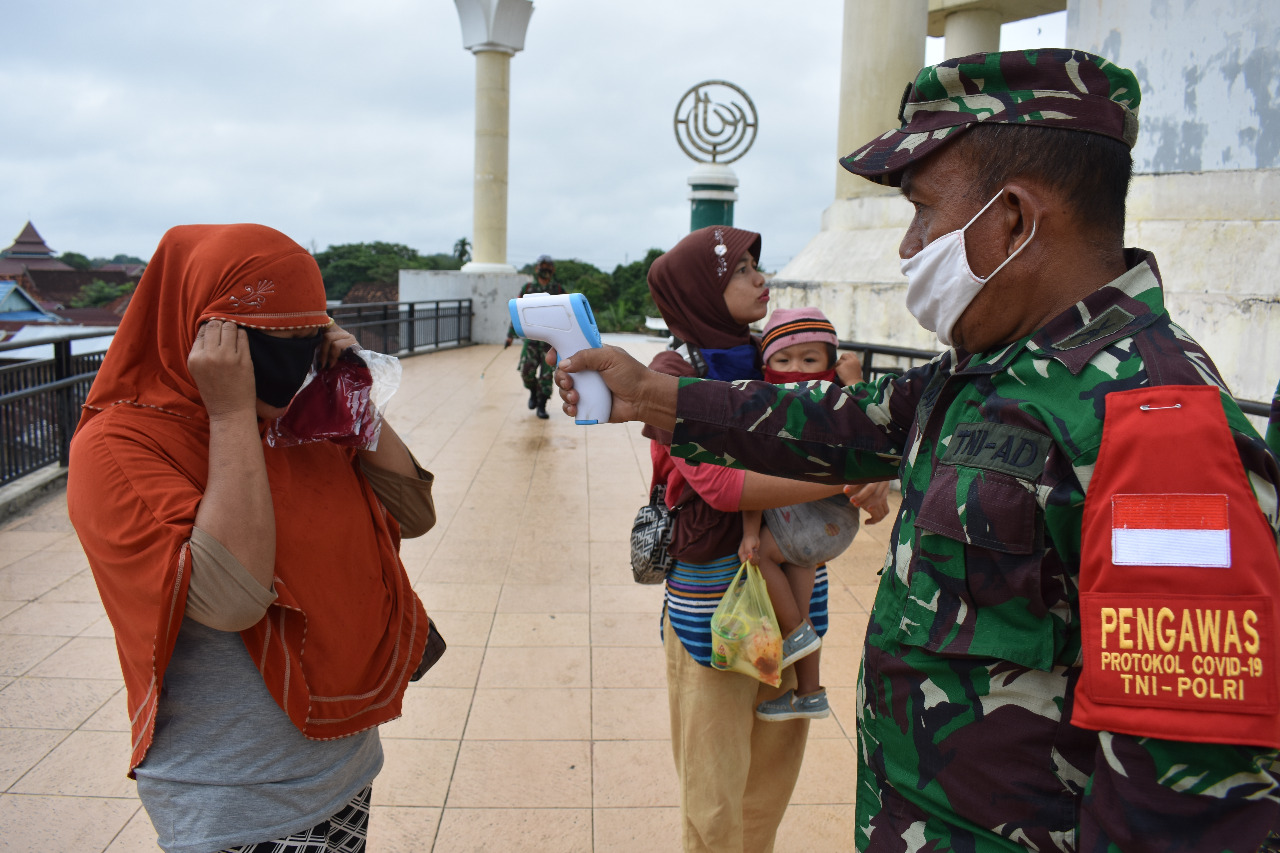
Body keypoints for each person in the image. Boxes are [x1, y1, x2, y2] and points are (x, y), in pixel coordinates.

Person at [557, 50, 1280, 851]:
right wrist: (655, 398)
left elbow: (1187, 801)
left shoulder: (1158, 427)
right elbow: (845, 422)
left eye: (923, 211)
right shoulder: (999, 366)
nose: (908, 246)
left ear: (1012, 219)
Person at [66, 224, 440, 853]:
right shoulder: (118, 446)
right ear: (198, 330)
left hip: (341, 758)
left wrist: (343, 388)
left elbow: (413, 508)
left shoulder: (301, 419)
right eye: (265, 340)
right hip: (236, 796)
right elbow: (232, 598)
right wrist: (232, 414)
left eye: (306, 337)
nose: (287, 360)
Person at [639, 225, 890, 853]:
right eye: (742, 270)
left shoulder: (780, 355)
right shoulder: (673, 370)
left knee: (772, 772)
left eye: (759, 266)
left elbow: (850, 413)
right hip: (712, 601)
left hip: (795, 590)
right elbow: (723, 485)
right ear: (702, 287)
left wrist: (871, 465)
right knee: (714, 783)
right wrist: (846, 470)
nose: (762, 280)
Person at [739, 307, 891, 722]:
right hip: (830, 529)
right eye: (783, 360)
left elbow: (751, 480)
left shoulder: (782, 405)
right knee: (799, 588)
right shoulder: (834, 401)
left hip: (813, 520)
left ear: (830, 362)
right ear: (767, 363)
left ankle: (795, 634)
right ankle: (810, 692)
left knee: (763, 557)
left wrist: (750, 533)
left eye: (809, 360)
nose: (795, 370)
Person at [505, 254, 564, 419]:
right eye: (542, 266)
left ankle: (541, 405)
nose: (544, 270)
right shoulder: (527, 288)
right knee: (526, 373)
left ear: (552, 270)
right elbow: (516, 313)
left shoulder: (558, 290)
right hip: (531, 340)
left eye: (548, 267)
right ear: (537, 268)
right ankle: (533, 391)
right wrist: (510, 336)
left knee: (546, 377)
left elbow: (567, 312)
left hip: (549, 341)